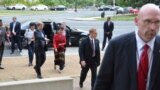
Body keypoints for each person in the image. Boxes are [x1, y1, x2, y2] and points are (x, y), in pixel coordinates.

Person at [93, 3, 160, 90]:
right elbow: (102, 83)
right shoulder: (116, 45)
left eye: (157, 22)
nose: (153, 27)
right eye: (147, 21)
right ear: (136, 21)